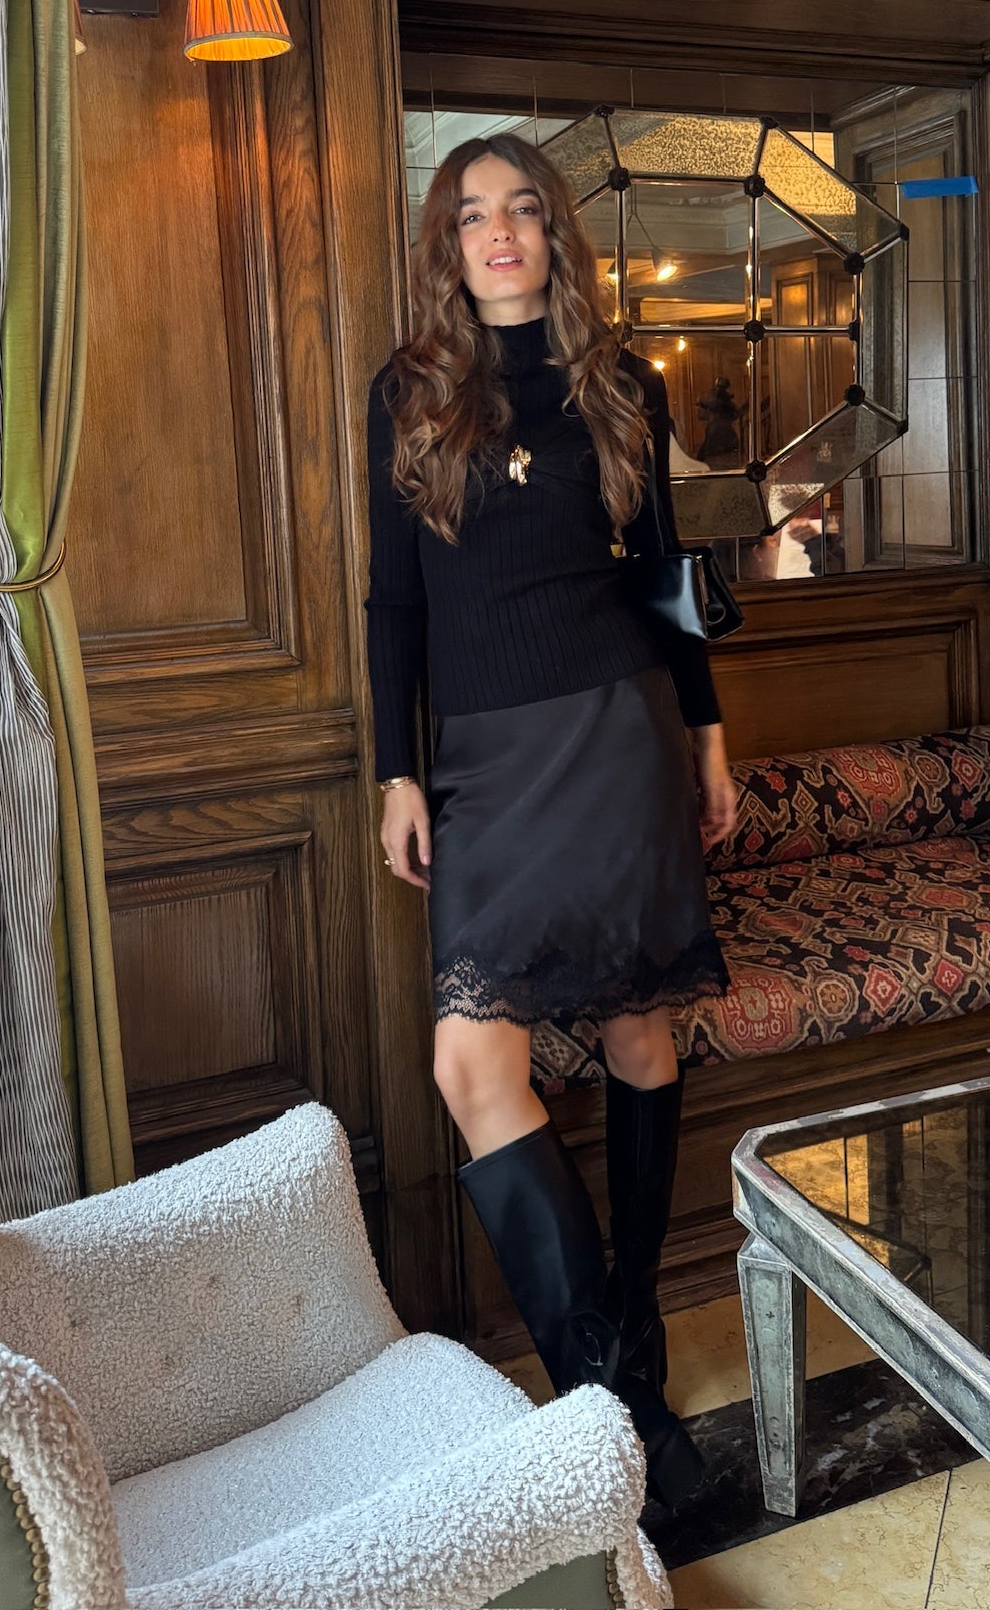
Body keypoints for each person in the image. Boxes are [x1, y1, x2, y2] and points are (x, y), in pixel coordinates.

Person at [364, 132, 740, 1505]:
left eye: (523, 208)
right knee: (474, 1069)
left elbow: (667, 577)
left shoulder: (622, 383)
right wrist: (397, 772)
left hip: (619, 737)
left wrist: (707, 738)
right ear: (448, 245)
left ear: (554, 234)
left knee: (640, 1035)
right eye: (474, 215)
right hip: (481, 765)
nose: (500, 232)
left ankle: (627, 1360)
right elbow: (392, 598)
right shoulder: (409, 391)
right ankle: (616, 1394)